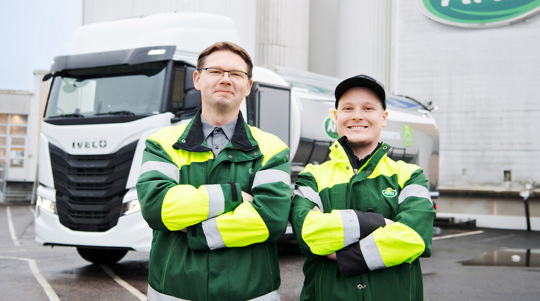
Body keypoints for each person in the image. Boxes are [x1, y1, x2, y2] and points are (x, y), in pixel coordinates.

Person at [136, 41, 292, 301]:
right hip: (174, 293)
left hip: (252, 293)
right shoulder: (162, 142)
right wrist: (234, 196)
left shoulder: (272, 147)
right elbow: (155, 206)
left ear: (248, 86)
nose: (226, 79)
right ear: (197, 79)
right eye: (216, 71)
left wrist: (194, 229)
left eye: (236, 74)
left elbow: (272, 219)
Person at [289, 74, 435, 301]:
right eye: (348, 108)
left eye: (368, 108)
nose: (357, 116)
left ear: (384, 117)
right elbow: (310, 234)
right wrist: (378, 223)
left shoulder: (408, 175)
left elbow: (415, 236)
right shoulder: (313, 176)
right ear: (335, 116)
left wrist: (344, 255)